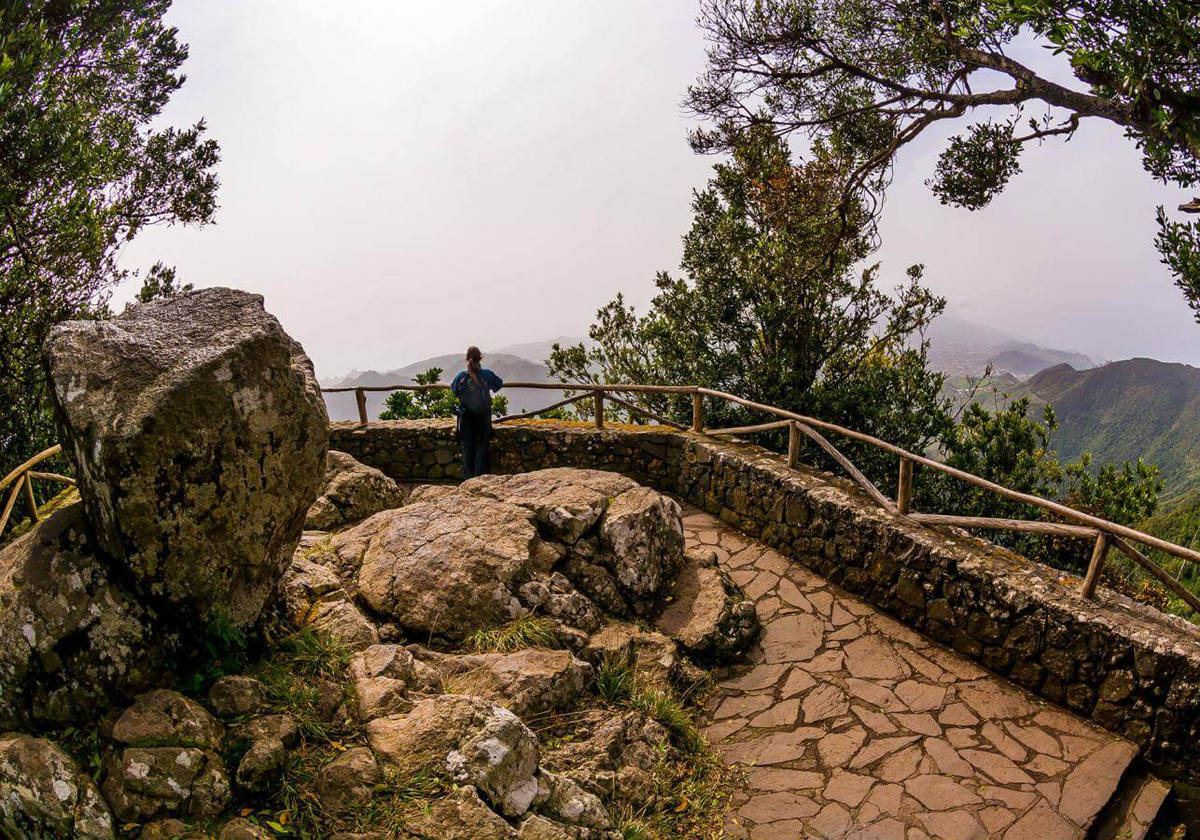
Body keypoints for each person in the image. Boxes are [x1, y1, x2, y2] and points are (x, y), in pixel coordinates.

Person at [451, 346, 504, 478]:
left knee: (468, 446)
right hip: (482, 416)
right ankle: (479, 478)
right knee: (481, 445)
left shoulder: (460, 377)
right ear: (480, 358)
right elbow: (499, 384)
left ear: (466, 359)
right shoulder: (486, 375)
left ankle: (468, 479)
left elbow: (454, 390)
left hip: (466, 417)